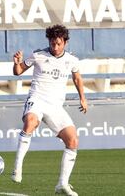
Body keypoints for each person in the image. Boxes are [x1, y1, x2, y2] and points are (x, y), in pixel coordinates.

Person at [11, 24, 88, 196]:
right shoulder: (38, 55)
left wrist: (83, 98)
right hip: (37, 100)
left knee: (73, 141)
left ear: (65, 43)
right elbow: (18, 71)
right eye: (52, 43)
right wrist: (16, 63)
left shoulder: (71, 60)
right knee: (30, 122)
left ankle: (62, 184)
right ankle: (17, 167)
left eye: (58, 43)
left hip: (55, 107)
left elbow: (77, 77)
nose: (55, 47)